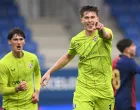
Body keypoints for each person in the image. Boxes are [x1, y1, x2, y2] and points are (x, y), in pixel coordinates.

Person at [41, 5, 114, 110]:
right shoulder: (76, 40)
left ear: (98, 19)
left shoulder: (106, 31)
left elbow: (105, 36)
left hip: (104, 90)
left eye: (92, 17)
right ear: (82, 20)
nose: (90, 20)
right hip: (84, 90)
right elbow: (68, 56)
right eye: (86, 17)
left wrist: (101, 30)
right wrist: (49, 72)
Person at [0, 28, 41, 110]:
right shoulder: (3, 63)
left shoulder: (32, 58)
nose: (18, 42)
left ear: (24, 41)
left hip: (31, 105)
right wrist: (17, 88)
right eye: (15, 39)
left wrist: (37, 92)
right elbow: (2, 90)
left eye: (21, 39)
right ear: (9, 42)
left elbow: (37, 74)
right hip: (12, 107)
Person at [112, 38, 139, 110]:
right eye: (132, 46)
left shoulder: (115, 61)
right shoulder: (129, 62)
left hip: (115, 100)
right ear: (127, 50)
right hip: (126, 102)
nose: (135, 47)